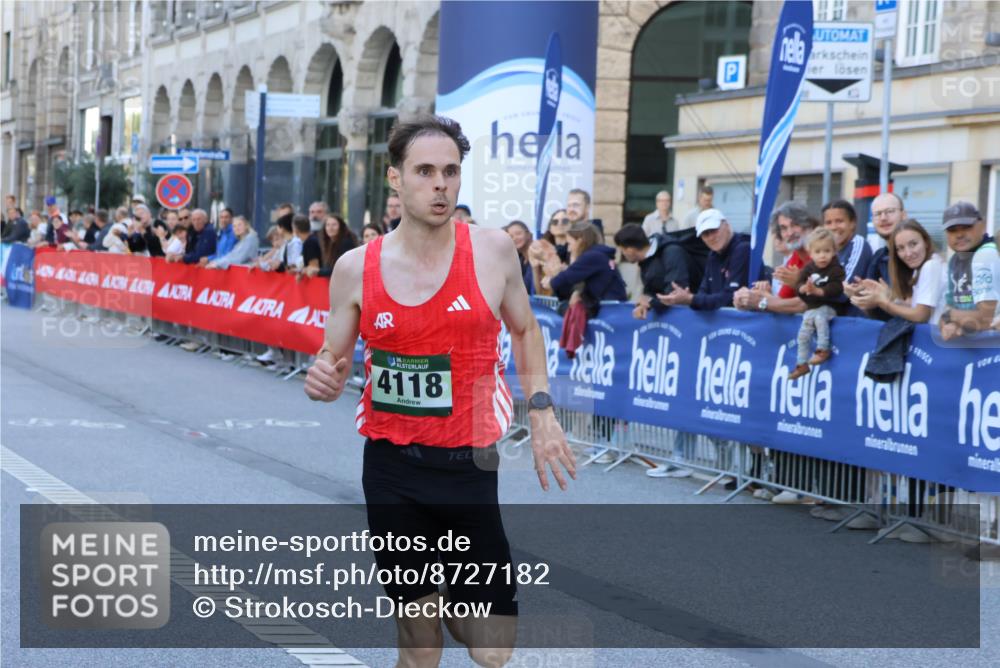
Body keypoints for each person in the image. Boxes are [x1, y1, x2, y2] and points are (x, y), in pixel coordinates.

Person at [303, 114, 575, 667]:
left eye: (450, 172)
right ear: (395, 178)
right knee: (420, 646)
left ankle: (449, 599)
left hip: (469, 466)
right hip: (392, 469)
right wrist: (321, 377)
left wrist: (542, 411)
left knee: (492, 650)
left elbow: (526, 330)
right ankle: (428, 608)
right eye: (424, 171)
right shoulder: (356, 267)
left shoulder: (493, 251)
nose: (440, 185)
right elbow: (331, 357)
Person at [852, 219, 945, 325]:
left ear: (926, 242)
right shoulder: (920, 268)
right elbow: (914, 306)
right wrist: (887, 295)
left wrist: (882, 302)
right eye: (900, 248)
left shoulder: (931, 265)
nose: (908, 253)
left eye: (913, 244)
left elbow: (920, 315)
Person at [657, 208, 749, 311]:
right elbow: (703, 292)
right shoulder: (713, 255)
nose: (711, 237)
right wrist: (687, 298)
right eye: (705, 234)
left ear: (726, 225)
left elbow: (730, 298)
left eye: (714, 230)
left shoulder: (742, 248)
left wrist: (690, 299)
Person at [787, 229, 845, 380]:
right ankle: (801, 363)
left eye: (827, 251)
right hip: (812, 308)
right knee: (803, 334)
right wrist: (802, 288)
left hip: (830, 307)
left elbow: (837, 288)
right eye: (818, 252)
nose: (822, 255)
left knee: (820, 318)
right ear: (810, 253)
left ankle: (823, 349)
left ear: (834, 251)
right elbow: (799, 284)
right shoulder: (808, 268)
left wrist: (818, 291)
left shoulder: (836, 269)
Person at [613, 224, 703, 319]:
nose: (623, 254)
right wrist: (645, 301)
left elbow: (675, 292)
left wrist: (650, 302)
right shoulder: (646, 260)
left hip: (695, 316)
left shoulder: (672, 251)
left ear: (630, 249)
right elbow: (652, 291)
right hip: (676, 316)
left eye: (622, 250)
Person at [937, 201, 999, 341]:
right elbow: (951, 306)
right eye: (952, 230)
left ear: (982, 225)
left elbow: (986, 320)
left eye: (966, 227)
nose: (959, 234)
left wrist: (949, 316)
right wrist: (951, 323)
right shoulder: (955, 260)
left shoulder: (987, 254)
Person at [541, 221, 627, 308]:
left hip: (611, 309)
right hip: (612, 307)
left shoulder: (593, 256)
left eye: (570, 244)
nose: (569, 249)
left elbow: (569, 275)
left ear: (580, 241)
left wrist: (551, 282)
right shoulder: (598, 254)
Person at [821, 199, 871, 316]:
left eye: (839, 221)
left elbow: (842, 291)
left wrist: (814, 291)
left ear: (852, 223)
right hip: (834, 320)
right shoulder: (827, 251)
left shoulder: (858, 244)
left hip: (856, 321)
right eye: (828, 222)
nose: (834, 227)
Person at [305, 214, 357, 278]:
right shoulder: (330, 243)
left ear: (341, 227)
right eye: (328, 225)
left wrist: (319, 271)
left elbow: (341, 269)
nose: (330, 228)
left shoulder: (346, 243)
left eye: (334, 225)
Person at [504, 220, 535, 295]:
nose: (515, 238)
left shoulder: (538, 254)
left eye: (518, 233)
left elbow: (527, 287)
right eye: (511, 236)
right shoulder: (519, 259)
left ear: (528, 234)